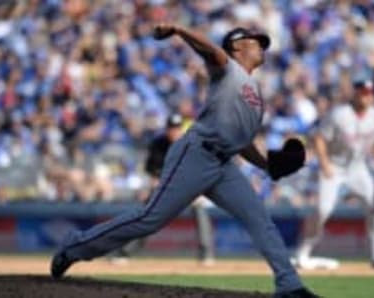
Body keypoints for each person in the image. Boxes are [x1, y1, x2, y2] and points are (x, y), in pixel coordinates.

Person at [50, 24, 319, 298]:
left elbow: (242, 143)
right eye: (254, 41)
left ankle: (289, 285)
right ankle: (74, 248)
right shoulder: (228, 69)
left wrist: (267, 165)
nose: (261, 45)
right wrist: (179, 29)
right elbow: (210, 51)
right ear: (237, 46)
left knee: (260, 218)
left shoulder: (255, 93)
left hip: (223, 163)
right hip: (196, 154)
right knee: (149, 219)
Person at [292, 76, 374, 270]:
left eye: (369, 94)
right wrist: (325, 165)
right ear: (355, 93)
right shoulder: (340, 114)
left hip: (358, 168)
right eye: (363, 93)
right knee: (323, 210)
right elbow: (320, 139)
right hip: (334, 166)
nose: (366, 97)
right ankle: (303, 252)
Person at [109, 113, 215, 266]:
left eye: (177, 128)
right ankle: (125, 252)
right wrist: (155, 184)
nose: (174, 131)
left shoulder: (191, 144)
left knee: (199, 207)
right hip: (164, 187)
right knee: (147, 216)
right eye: (172, 128)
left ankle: (206, 253)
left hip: (186, 187)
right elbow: (151, 170)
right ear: (167, 129)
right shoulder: (158, 144)